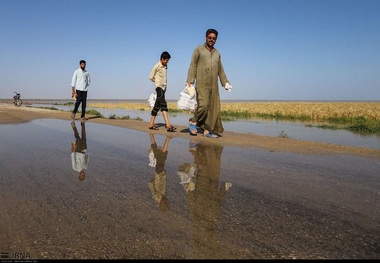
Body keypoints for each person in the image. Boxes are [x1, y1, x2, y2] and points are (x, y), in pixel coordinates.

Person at [186, 29, 232, 138]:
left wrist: (225, 82)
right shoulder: (199, 49)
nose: (212, 40)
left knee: (213, 108)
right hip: (202, 83)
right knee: (204, 105)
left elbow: (220, 69)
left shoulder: (217, 53)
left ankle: (207, 130)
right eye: (210, 37)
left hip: (214, 85)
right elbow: (193, 65)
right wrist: (190, 80)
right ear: (206, 37)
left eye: (214, 38)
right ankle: (193, 121)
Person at [148, 51, 176, 132]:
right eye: (166, 60)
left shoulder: (165, 66)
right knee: (163, 104)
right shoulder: (157, 66)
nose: (167, 62)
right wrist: (157, 81)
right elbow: (150, 77)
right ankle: (168, 125)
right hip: (159, 87)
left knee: (157, 106)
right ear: (162, 59)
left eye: (168, 60)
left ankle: (151, 124)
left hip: (163, 88)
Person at [147, 134, 171, 212]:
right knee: (159, 155)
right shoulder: (163, 196)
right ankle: (152, 136)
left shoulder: (157, 197)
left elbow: (150, 184)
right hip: (161, 173)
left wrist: (156, 178)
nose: (166, 202)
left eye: (165, 204)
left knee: (162, 157)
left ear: (161, 205)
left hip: (158, 173)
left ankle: (167, 139)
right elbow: (163, 185)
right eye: (166, 203)